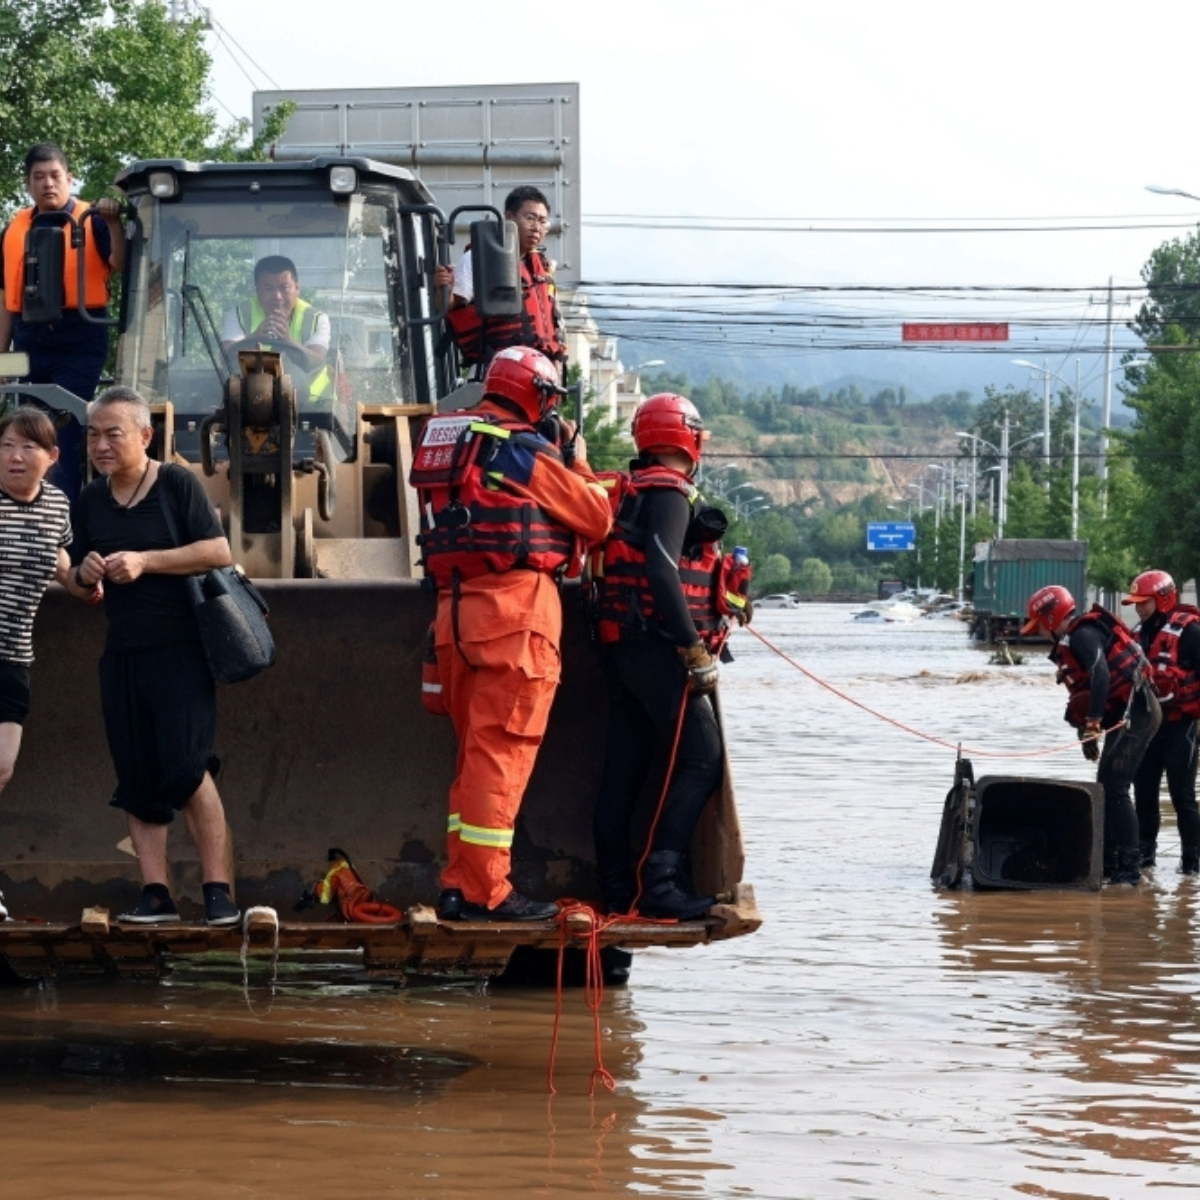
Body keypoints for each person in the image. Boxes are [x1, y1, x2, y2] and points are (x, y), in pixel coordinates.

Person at [408, 346, 611, 920]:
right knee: (500, 761)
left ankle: (458, 883)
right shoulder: (519, 450)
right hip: (514, 620)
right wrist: (576, 457)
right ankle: (485, 892)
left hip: (453, 618)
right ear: (537, 399)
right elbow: (596, 517)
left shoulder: (448, 441)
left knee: (474, 762)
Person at [69, 386, 241, 926]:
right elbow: (75, 582)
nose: (100, 445)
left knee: (188, 769)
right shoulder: (90, 500)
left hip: (180, 650)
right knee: (136, 777)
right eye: (93, 435)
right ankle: (157, 895)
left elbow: (218, 551)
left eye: (112, 434)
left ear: (145, 435)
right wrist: (85, 574)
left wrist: (146, 560)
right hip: (122, 653)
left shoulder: (175, 484)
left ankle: (219, 892)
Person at [590, 393, 745, 920]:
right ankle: (658, 882)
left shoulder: (633, 491)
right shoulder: (670, 494)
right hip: (656, 648)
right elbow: (661, 574)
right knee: (703, 757)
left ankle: (615, 890)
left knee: (626, 768)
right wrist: (694, 648)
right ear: (692, 439)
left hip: (623, 646)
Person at [0, 143, 126, 497]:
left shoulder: (94, 220)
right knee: (22, 434)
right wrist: (1, 358)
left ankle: (63, 523)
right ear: (27, 184)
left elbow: (119, 262)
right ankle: (22, 513)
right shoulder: (14, 229)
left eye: (55, 176)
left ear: (69, 178)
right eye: (38, 177)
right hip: (28, 339)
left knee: (62, 431)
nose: (48, 184)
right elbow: (7, 301)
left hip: (80, 338)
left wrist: (114, 221)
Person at [1022, 584, 1161, 885]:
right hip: (1127, 713)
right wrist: (1087, 733)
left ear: (1049, 619)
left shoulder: (1082, 635)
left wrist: (1093, 723)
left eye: (1039, 626)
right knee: (1105, 785)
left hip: (1138, 712)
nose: (1040, 634)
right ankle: (1110, 863)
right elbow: (1089, 690)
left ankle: (1130, 870)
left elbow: (1101, 675)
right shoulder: (1074, 637)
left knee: (1115, 787)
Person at [0, 407, 74, 921]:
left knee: (1, 768)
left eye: (28, 447)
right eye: (6, 445)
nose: (15, 456)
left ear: (51, 457)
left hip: (13, 656)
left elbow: (61, 560)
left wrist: (82, 584)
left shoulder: (57, 505)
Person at [433, 185, 566, 374]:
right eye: (530, 218)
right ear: (509, 217)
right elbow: (446, 305)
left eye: (543, 221)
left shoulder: (542, 270)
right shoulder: (478, 258)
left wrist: (555, 365)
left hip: (537, 374)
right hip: (494, 371)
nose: (537, 227)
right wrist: (443, 286)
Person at [1122, 570, 1200, 875]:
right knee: (1144, 790)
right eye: (1136, 603)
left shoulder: (1191, 632)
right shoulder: (1138, 633)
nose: (1139, 608)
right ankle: (1145, 857)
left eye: (1145, 602)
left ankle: (1191, 864)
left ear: (1163, 599)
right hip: (1147, 727)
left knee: (1183, 796)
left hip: (1181, 727)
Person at [220, 255, 332, 403]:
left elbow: (316, 361)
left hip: (314, 406)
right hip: (249, 406)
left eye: (284, 288)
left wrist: (288, 341)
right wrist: (256, 337)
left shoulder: (317, 319)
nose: (277, 296)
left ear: (297, 289)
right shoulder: (239, 314)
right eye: (268, 289)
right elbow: (225, 356)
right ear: (257, 291)